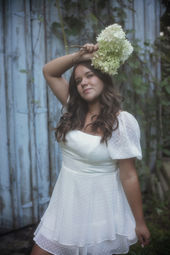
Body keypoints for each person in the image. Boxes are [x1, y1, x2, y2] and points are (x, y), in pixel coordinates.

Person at [31, 43, 151, 255]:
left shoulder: (121, 122)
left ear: (103, 78)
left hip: (99, 211)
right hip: (65, 207)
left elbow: (129, 175)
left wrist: (139, 222)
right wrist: (81, 55)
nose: (83, 83)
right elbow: (49, 71)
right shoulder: (73, 108)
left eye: (90, 75)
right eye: (78, 80)